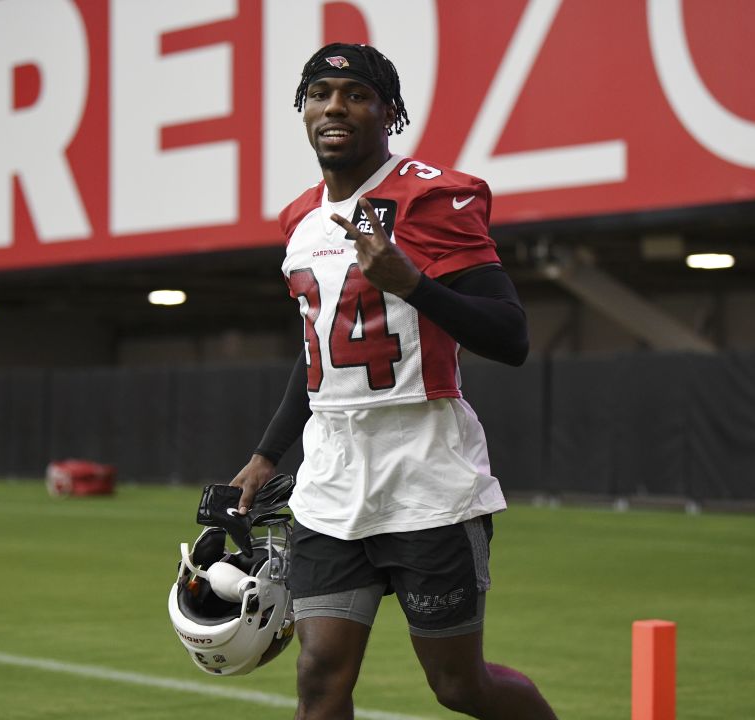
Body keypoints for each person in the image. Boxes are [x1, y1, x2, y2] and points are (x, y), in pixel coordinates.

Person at [231, 43, 559, 720]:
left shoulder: (433, 197)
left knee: (458, 687)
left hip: (424, 475)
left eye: (355, 94)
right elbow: (316, 350)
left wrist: (413, 283)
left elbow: (511, 335)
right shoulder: (299, 220)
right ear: (303, 110)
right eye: (320, 93)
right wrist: (266, 456)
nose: (335, 107)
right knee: (320, 676)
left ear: (389, 112)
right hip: (331, 480)